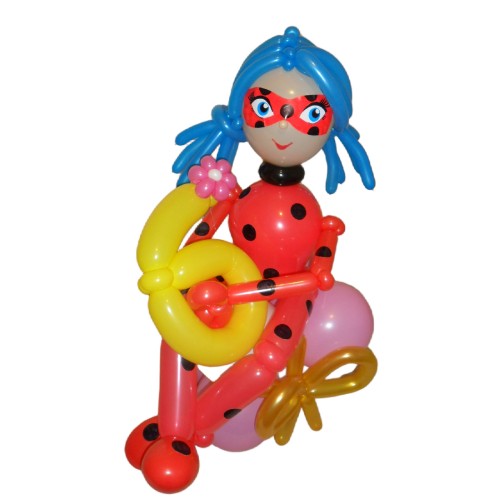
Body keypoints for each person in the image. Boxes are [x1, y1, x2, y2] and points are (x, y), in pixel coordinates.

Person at [126, 26, 375, 494]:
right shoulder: (238, 194)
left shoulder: (311, 211)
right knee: (179, 334)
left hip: (290, 296)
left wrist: (311, 269)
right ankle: (171, 423)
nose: (283, 128)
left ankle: (189, 433)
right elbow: (207, 228)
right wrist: (190, 265)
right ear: (241, 111)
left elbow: (318, 266)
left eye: (310, 114)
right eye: (265, 108)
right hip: (232, 286)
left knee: (268, 358)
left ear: (332, 126)